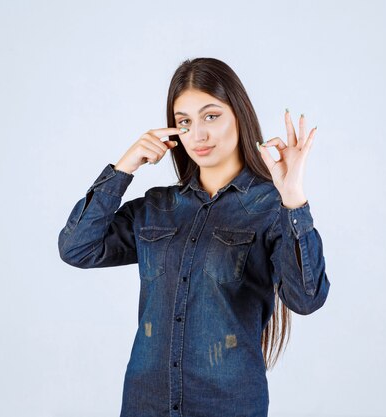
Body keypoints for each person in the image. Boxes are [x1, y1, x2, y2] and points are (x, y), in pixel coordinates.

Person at [58, 57, 330, 417]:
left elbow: (306, 298)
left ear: (239, 115)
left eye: (211, 116)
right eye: (184, 121)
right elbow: (77, 248)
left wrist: (293, 198)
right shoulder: (157, 207)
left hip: (228, 405)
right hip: (145, 404)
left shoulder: (270, 208)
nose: (198, 134)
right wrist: (124, 167)